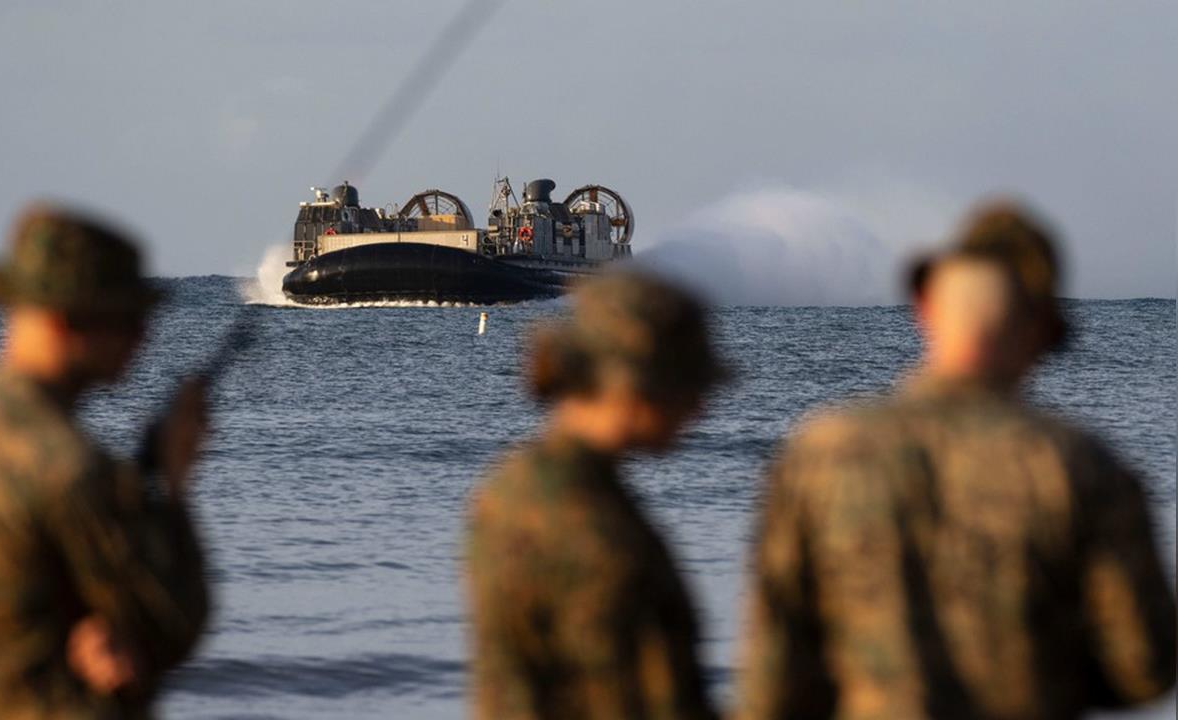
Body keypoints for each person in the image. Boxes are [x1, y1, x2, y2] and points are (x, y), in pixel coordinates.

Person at [735, 200, 1176, 719]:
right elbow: (1145, 668)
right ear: (1047, 331)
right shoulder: (1081, 467)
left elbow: (774, 680)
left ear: (923, 307)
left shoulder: (820, 453)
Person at [0, 204, 212, 718]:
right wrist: (172, 483)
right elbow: (172, 619)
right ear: (65, 319)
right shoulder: (66, 467)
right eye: (125, 320)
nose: (142, 339)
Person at [464, 271, 725, 720]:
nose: (699, 408)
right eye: (688, 385)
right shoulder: (586, 525)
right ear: (633, 380)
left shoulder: (521, 484)